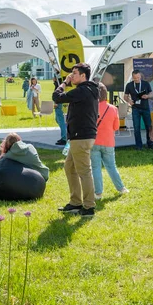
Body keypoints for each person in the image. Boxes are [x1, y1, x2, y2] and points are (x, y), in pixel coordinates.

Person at [52, 62, 99, 217]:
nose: (71, 76)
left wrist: (64, 83)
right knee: (70, 167)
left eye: (74, 73)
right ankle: (75, 202)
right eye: (71, 73)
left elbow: (57, 97)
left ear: (83, 76)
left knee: (84, 171)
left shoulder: (82, 90)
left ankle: (89, 207)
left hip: (81, 136)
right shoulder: (89, 89)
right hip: (80, 136)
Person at [92, 83, 129, 200]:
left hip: (94, 141)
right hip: (108, 141)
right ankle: (121, 188)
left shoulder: (91, 108)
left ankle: (98, 193)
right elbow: (116, 127)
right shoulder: (113, 109)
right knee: (111, 166)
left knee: (95, 168)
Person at [124, 69, 153, 150]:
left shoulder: (146, 83)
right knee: (136, 128)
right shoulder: (129, 85)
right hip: (135, 109)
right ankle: (138, 146)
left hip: (145, 108)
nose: (137, 79)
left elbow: (151, 93)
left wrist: (147, 96)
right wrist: (129, 101)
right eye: (135, 78)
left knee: (149, 127)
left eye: (138, 77)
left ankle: (150, 143)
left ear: (140, 76)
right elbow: (125, 96)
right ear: (132, 77)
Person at [53, 76, 67, 145]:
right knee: (58, 119)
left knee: (60, 120)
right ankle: (65, 134)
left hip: (59, 103)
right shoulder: (58, 83)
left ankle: (64, 137)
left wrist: (56, 102)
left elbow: (57, 94)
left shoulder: (58, 84)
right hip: (60, 102)